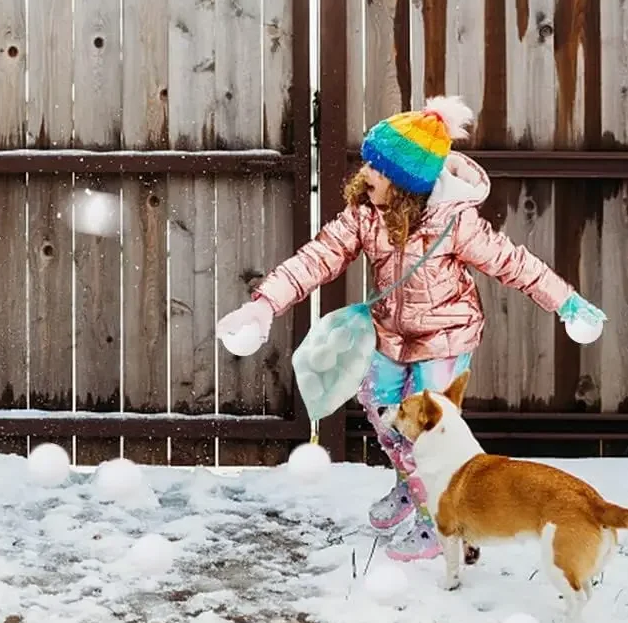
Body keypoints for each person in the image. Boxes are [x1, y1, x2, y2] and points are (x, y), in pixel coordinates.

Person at [217, 97, 605, 562]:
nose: (366, 177)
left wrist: (568, 303)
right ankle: (413, 486)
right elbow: (316, 258)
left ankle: (440, 522)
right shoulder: (366, 214)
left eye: (376, 169)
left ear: (406, 185)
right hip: (390, 336)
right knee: (385, 415)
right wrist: (263, 305)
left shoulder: (455, 223)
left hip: (445, 339)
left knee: (430, 432)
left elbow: (514, 264)